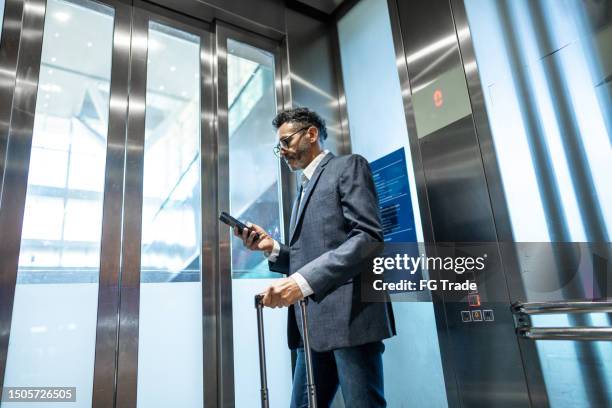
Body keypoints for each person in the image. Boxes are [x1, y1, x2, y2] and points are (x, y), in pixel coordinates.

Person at [233, 107, 395, 408]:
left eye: (286, 141)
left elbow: (368, 238)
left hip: (351, 319)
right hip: (312, 324)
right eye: (278, 146)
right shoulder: (302, 190)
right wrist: (272, 248)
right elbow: (308, 254)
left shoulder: (348, 166)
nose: (282, 150)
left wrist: (302, 282)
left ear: (311, 134)